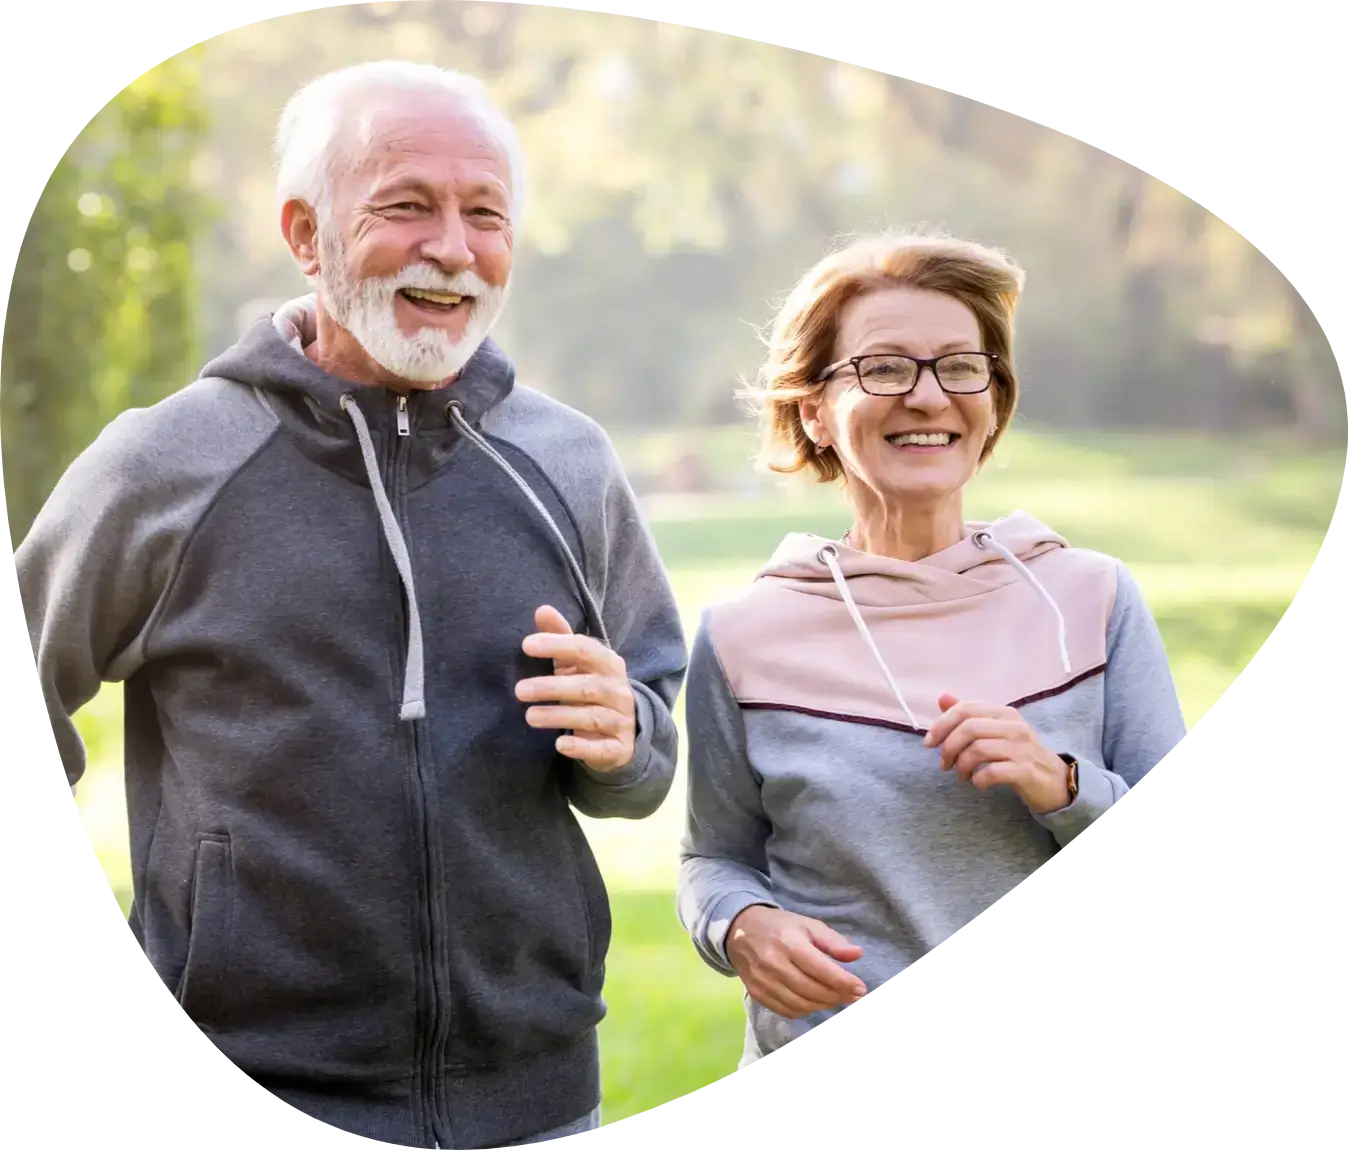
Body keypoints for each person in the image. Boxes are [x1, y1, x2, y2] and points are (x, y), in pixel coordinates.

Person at [15, 61, 687, 1149]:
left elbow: (645, 743)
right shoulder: (170, 461)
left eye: (485, 215)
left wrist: (629, 740)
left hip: (539, 1095)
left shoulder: (569, 464)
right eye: (406, 205)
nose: (454, 248)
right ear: (304, 232)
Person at [676, 229, 1189, 1071]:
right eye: (883, 368)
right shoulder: (743, 635)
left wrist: (1059, 785)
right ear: (815, 411)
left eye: (960, 365)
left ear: (992, 398)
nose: (927, 397)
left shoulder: (1091, 599)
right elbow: (714, 859)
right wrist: (738, 926)